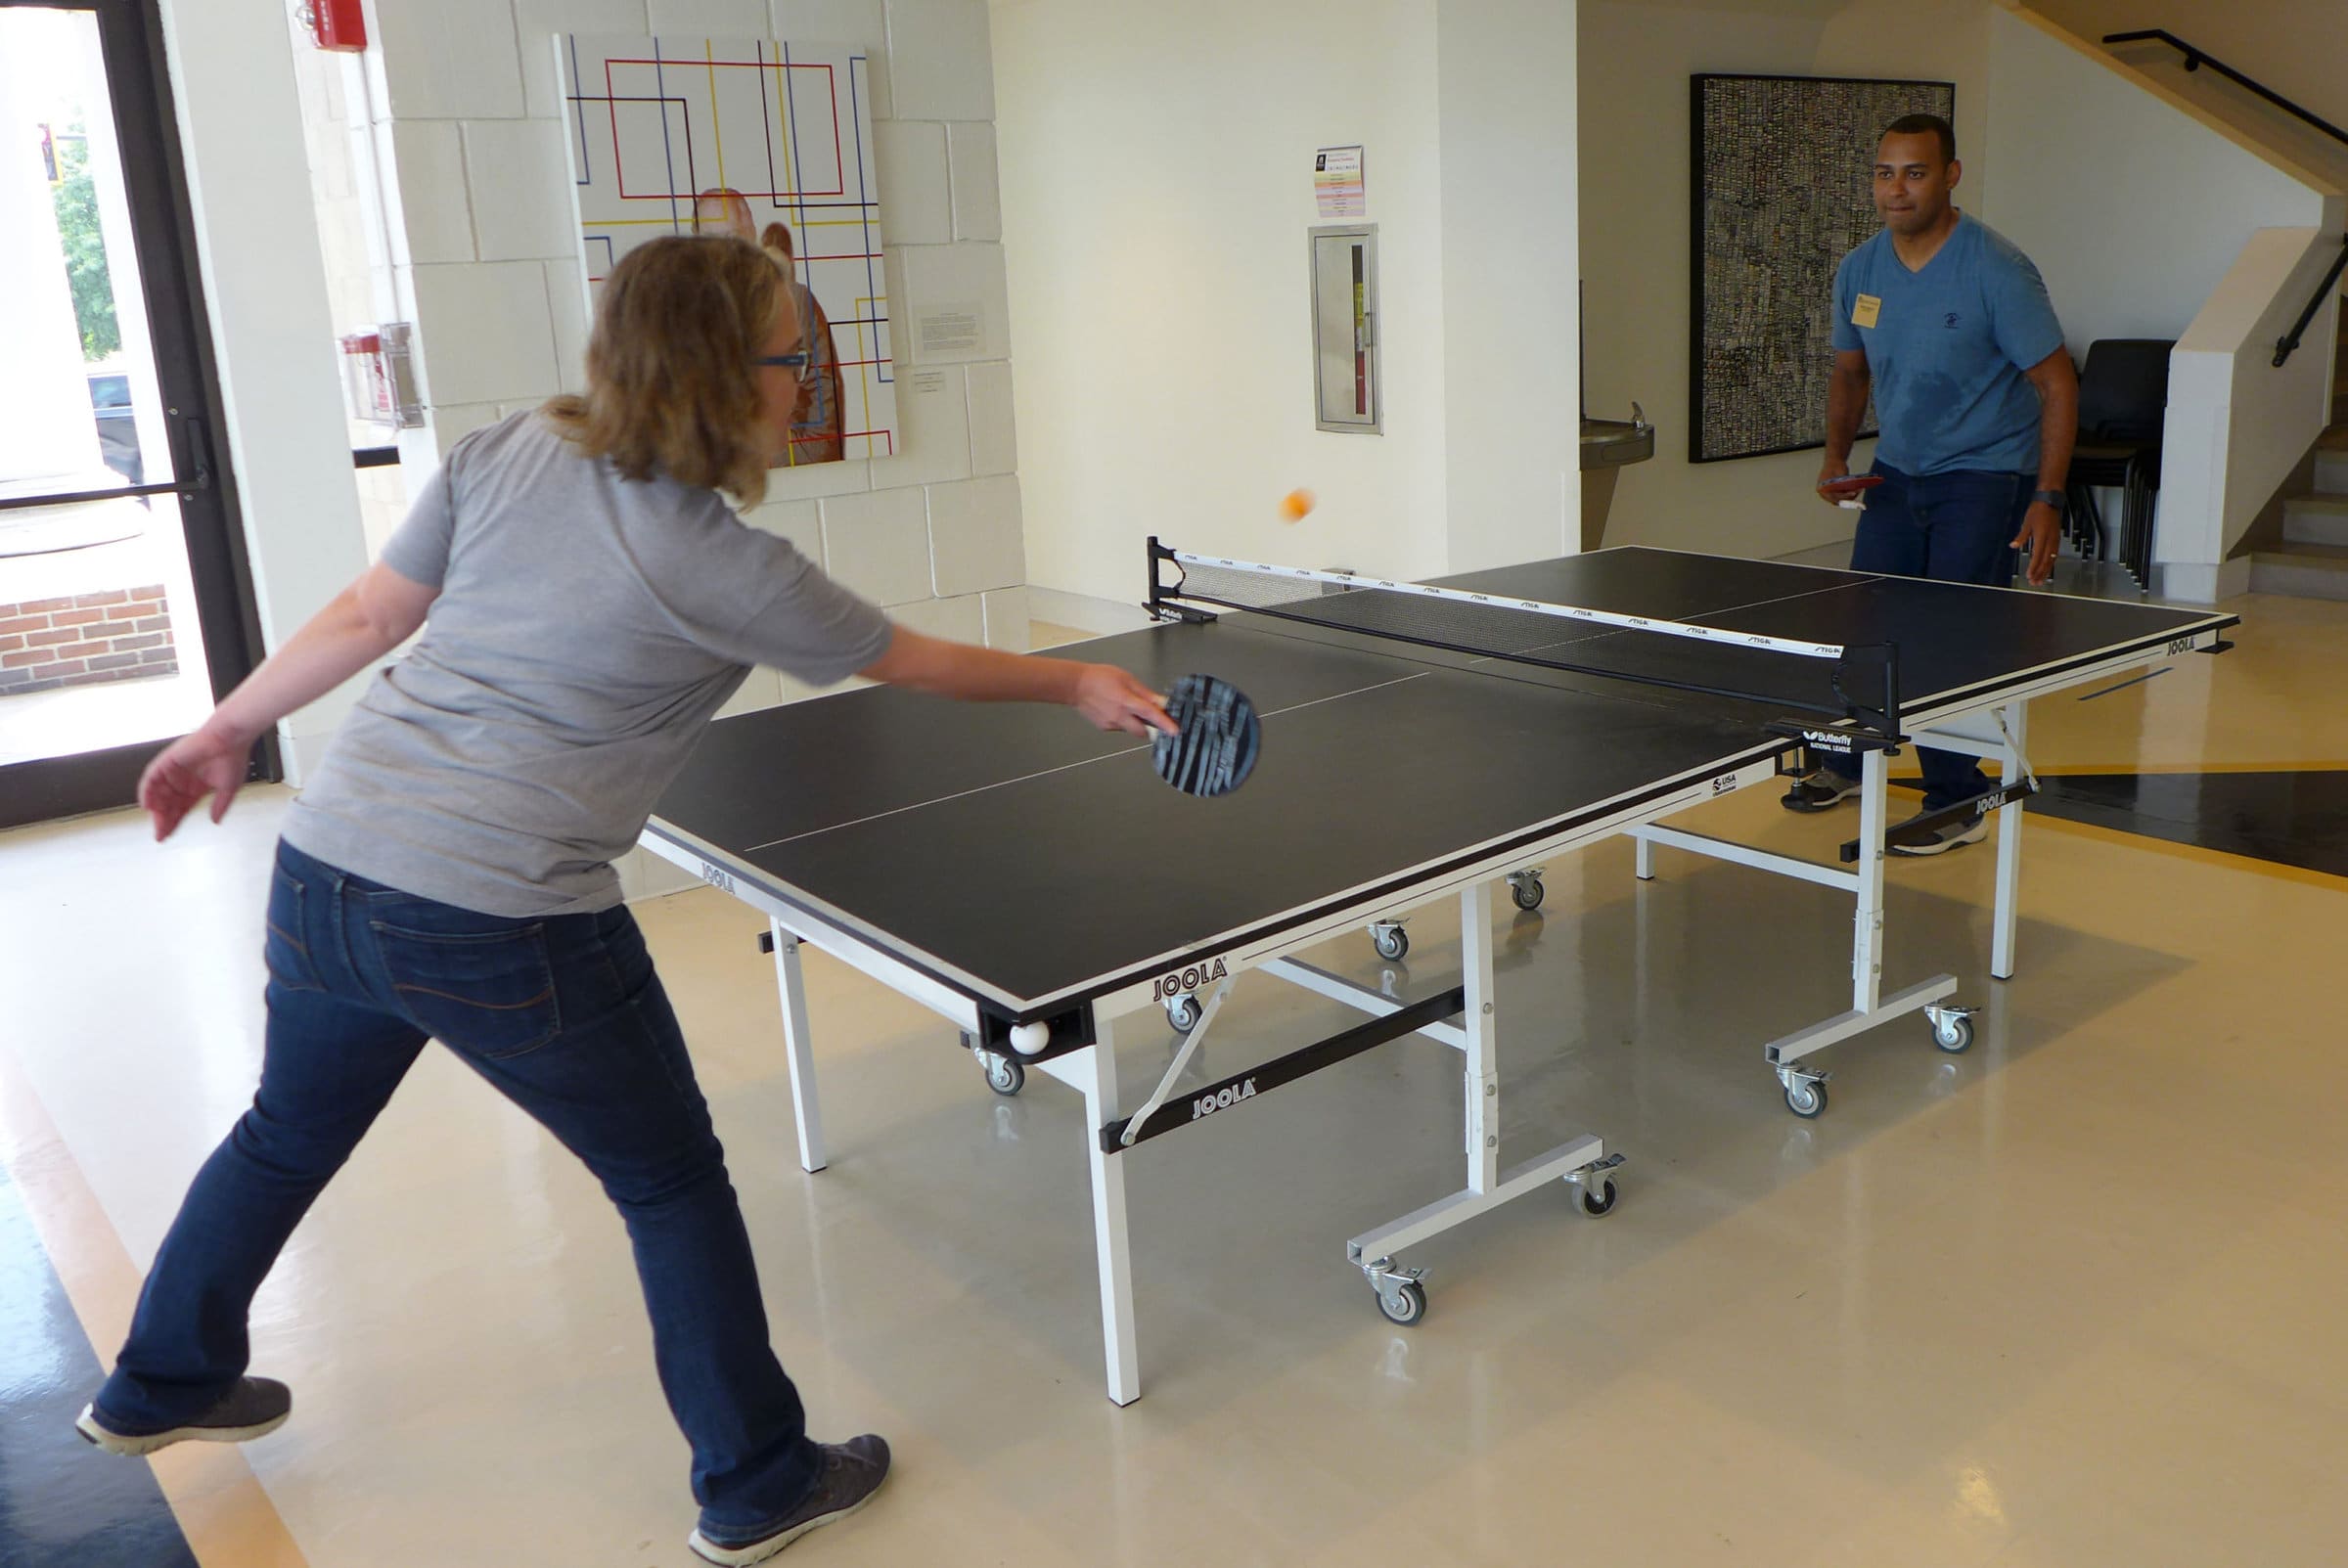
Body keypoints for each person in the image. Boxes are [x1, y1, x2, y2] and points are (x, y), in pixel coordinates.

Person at [73, 234, 1172, 1566]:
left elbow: (369, 617)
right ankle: (758, 1474)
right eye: (790, 355)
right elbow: (918, 662)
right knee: (668, 1177)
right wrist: (1073, 683)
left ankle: (160, 1378)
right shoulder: (733, 568)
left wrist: (223, 728)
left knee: (282, 1132)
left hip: (332, 867)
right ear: (726, 377)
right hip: (501, 911)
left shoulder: (501, 453)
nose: (801, 382)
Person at [1784, 112, 2077, 854]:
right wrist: (1834, 457)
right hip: (1896, 472)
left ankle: (1959, 793)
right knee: (1867, 623)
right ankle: (1847, 760)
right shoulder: (1861, 268)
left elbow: (2057, 384)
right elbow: (1851, 371)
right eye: (1885, 173)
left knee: (1949, 634)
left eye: (1915, 172)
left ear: (1949, 175)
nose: (1896, 189)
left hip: (1985, 474)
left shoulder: (1996, 270)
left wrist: (2047, 498)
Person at [693, 189, 846, 465]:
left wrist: (805, 465)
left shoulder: (796, 300)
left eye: (739, 234)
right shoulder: (683, 314)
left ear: (751, 234)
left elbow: (824, 390)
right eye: (719, 238)